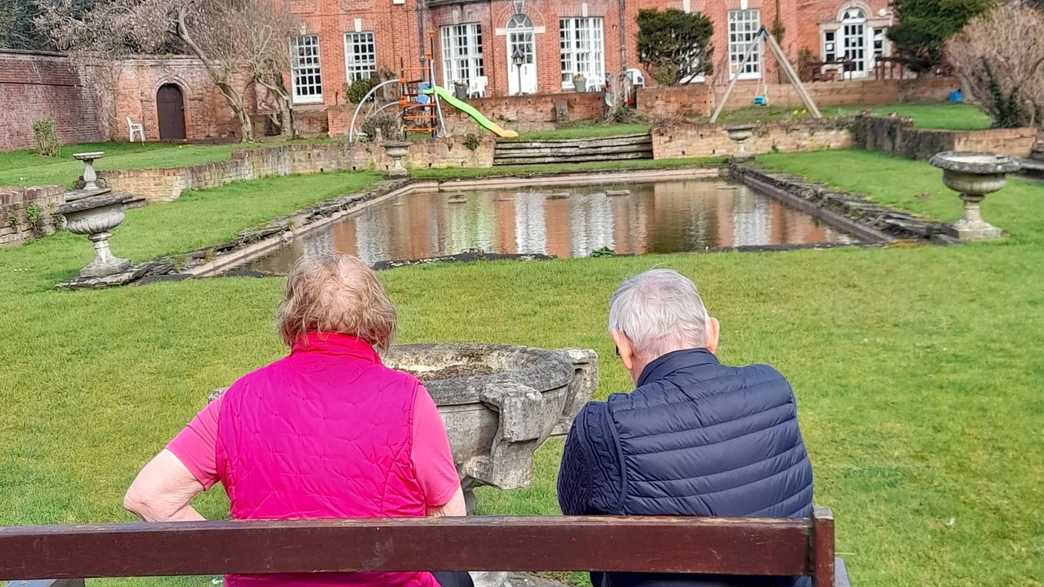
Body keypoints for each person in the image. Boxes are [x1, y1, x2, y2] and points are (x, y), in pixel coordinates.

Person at [124, 253, 472, 587]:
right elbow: (452, 521)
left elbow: (149, 496)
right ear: (378, 321)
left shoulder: (238, 399)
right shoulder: (408, 398)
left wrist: (233, 556)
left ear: (292, 318)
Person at [558, 269, 814, 587]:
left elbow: (575, 524)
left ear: (624, 347)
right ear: (711, 333)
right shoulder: (773, 389)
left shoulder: (603, 424)